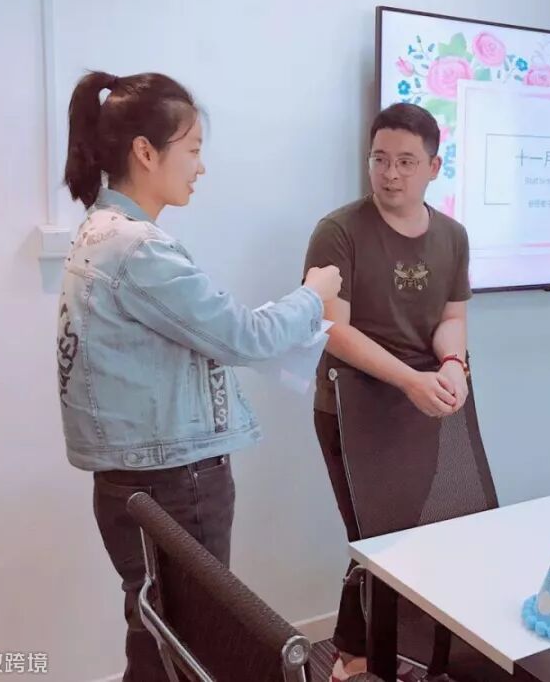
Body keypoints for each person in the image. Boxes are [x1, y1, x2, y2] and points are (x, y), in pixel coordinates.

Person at [57, 71, 341, 681]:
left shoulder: (98, 234)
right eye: (192, 149)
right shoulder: (137, 248)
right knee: (190, 644)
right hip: (174, 480)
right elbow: (244, 335)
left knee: (156, 631)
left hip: (134, 477)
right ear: (145, 151)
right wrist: (313, 294)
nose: (201, 167)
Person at [303, 102, 472, 682]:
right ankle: (355, 658)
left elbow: (452, 317)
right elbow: (334, 329)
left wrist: (453, 364)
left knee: (399, 538)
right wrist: (409, 379)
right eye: (379, 160)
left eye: (405, 162)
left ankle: (359, 651)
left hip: (420, 407)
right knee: (372, 539)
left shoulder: (452, 236)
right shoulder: (339, 231)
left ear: (434, 167)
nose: (390, 174)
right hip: (352, 408)